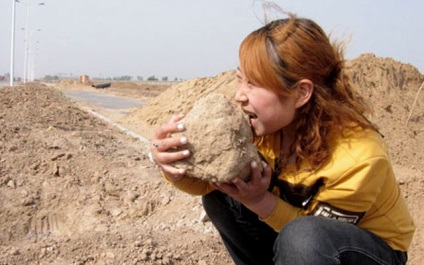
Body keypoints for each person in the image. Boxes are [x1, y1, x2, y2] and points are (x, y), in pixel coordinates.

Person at [149, 13, 415, 265]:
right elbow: (207, 185)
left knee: (304, 238)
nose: (240, 95)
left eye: (254, 84)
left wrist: (258, 201)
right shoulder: (264, 128)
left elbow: (315, 236)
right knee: (222, 198)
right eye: (240, 79)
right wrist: (175, 167)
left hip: (367, 249)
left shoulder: (358, 158)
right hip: (299, 235)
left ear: (300, 93)